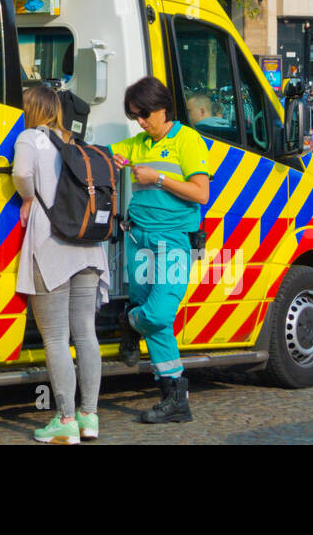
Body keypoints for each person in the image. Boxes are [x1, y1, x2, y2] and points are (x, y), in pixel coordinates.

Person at [110, 76, 211, 424]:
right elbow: (99, 155)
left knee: (157, 315)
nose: (140, 121)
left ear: (162, 107)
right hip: (138, 241)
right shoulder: (136, 144)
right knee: (158, 326)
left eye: (144, 114)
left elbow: (201, 194)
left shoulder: (188, 141)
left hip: (173, 243)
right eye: (135, 116)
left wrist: (158, 178)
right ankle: (174, 399)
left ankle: (129, 322)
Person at [13, 85, 110, 444]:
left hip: (51, 245)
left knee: (55, 337)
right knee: (85, 332)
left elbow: (23, 175)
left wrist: (26, 198)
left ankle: (65, 420)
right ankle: (90, 417)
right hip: (88, 247)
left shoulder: (29, 138)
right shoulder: (77, 142)